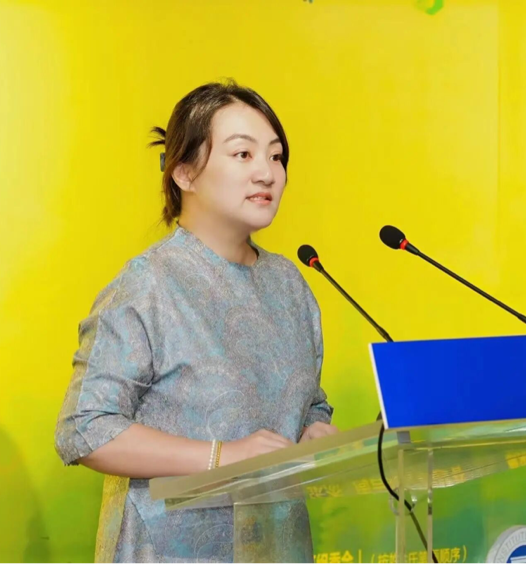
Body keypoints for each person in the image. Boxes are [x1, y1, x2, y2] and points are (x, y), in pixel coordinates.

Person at [55, 80, 337, 563]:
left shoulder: (290, 283)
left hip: (277, 545)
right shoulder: (150, 284)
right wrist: (222, 457)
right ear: (184, 173)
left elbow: (309, 402)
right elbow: (85, 428)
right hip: (171, 548)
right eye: (243, 154)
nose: (267, 173)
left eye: (276, 156)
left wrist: (315, 430)